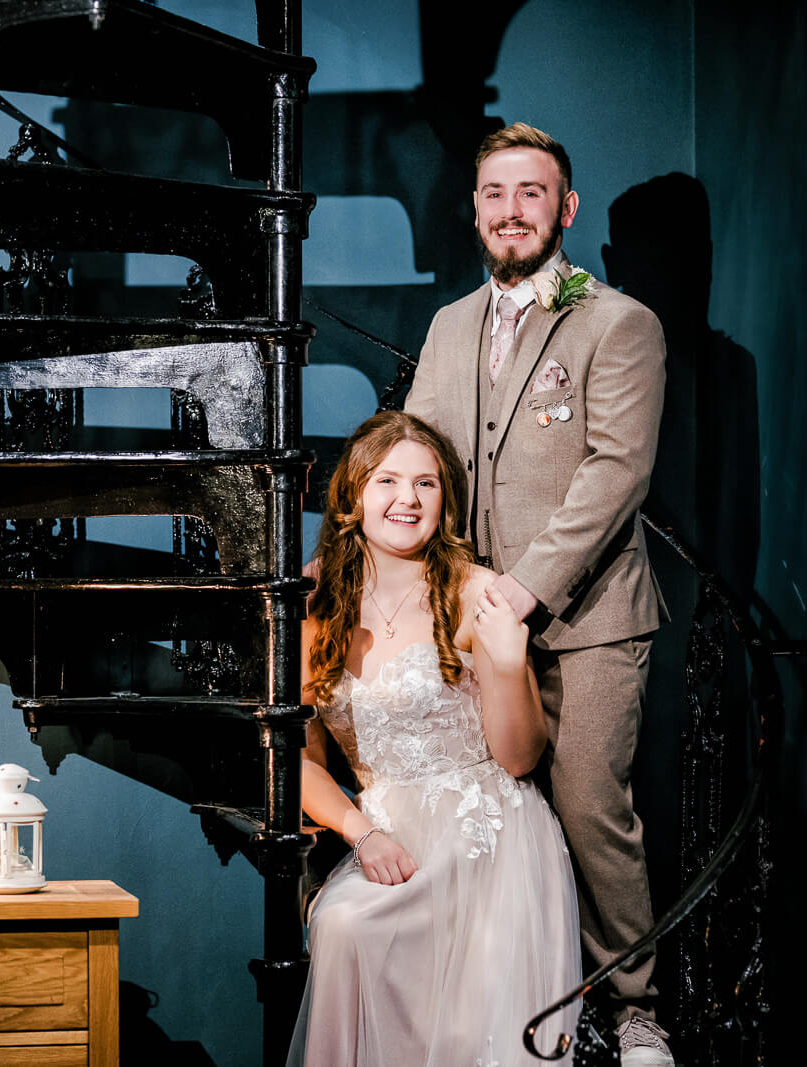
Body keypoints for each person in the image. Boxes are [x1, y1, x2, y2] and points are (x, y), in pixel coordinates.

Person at [404, 122, 672, 1065]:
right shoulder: (446, 328)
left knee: (592, 806)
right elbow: (421, 458)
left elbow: (616, 475)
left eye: (530, 193)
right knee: (492, 806)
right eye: (494, 193)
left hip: (592, 619)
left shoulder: (621, 323)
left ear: (564, 208)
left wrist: (521, 589)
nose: (510, 211)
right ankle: (513, 995)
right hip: (473, 612)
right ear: (475, 210)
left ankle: (634, 1003)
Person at [287, 411, 581, 1066]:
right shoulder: (310, 602)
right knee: (340, 922)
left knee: (456, 1035)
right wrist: (358, 831)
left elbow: (521, 756)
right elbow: (295, 758)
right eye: (388, 480)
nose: (408, 499)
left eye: (427, 484)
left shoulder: (475, 591)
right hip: (389, 833)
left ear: (445, 500)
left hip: (485, 838)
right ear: (352, 494)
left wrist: (506, 662)